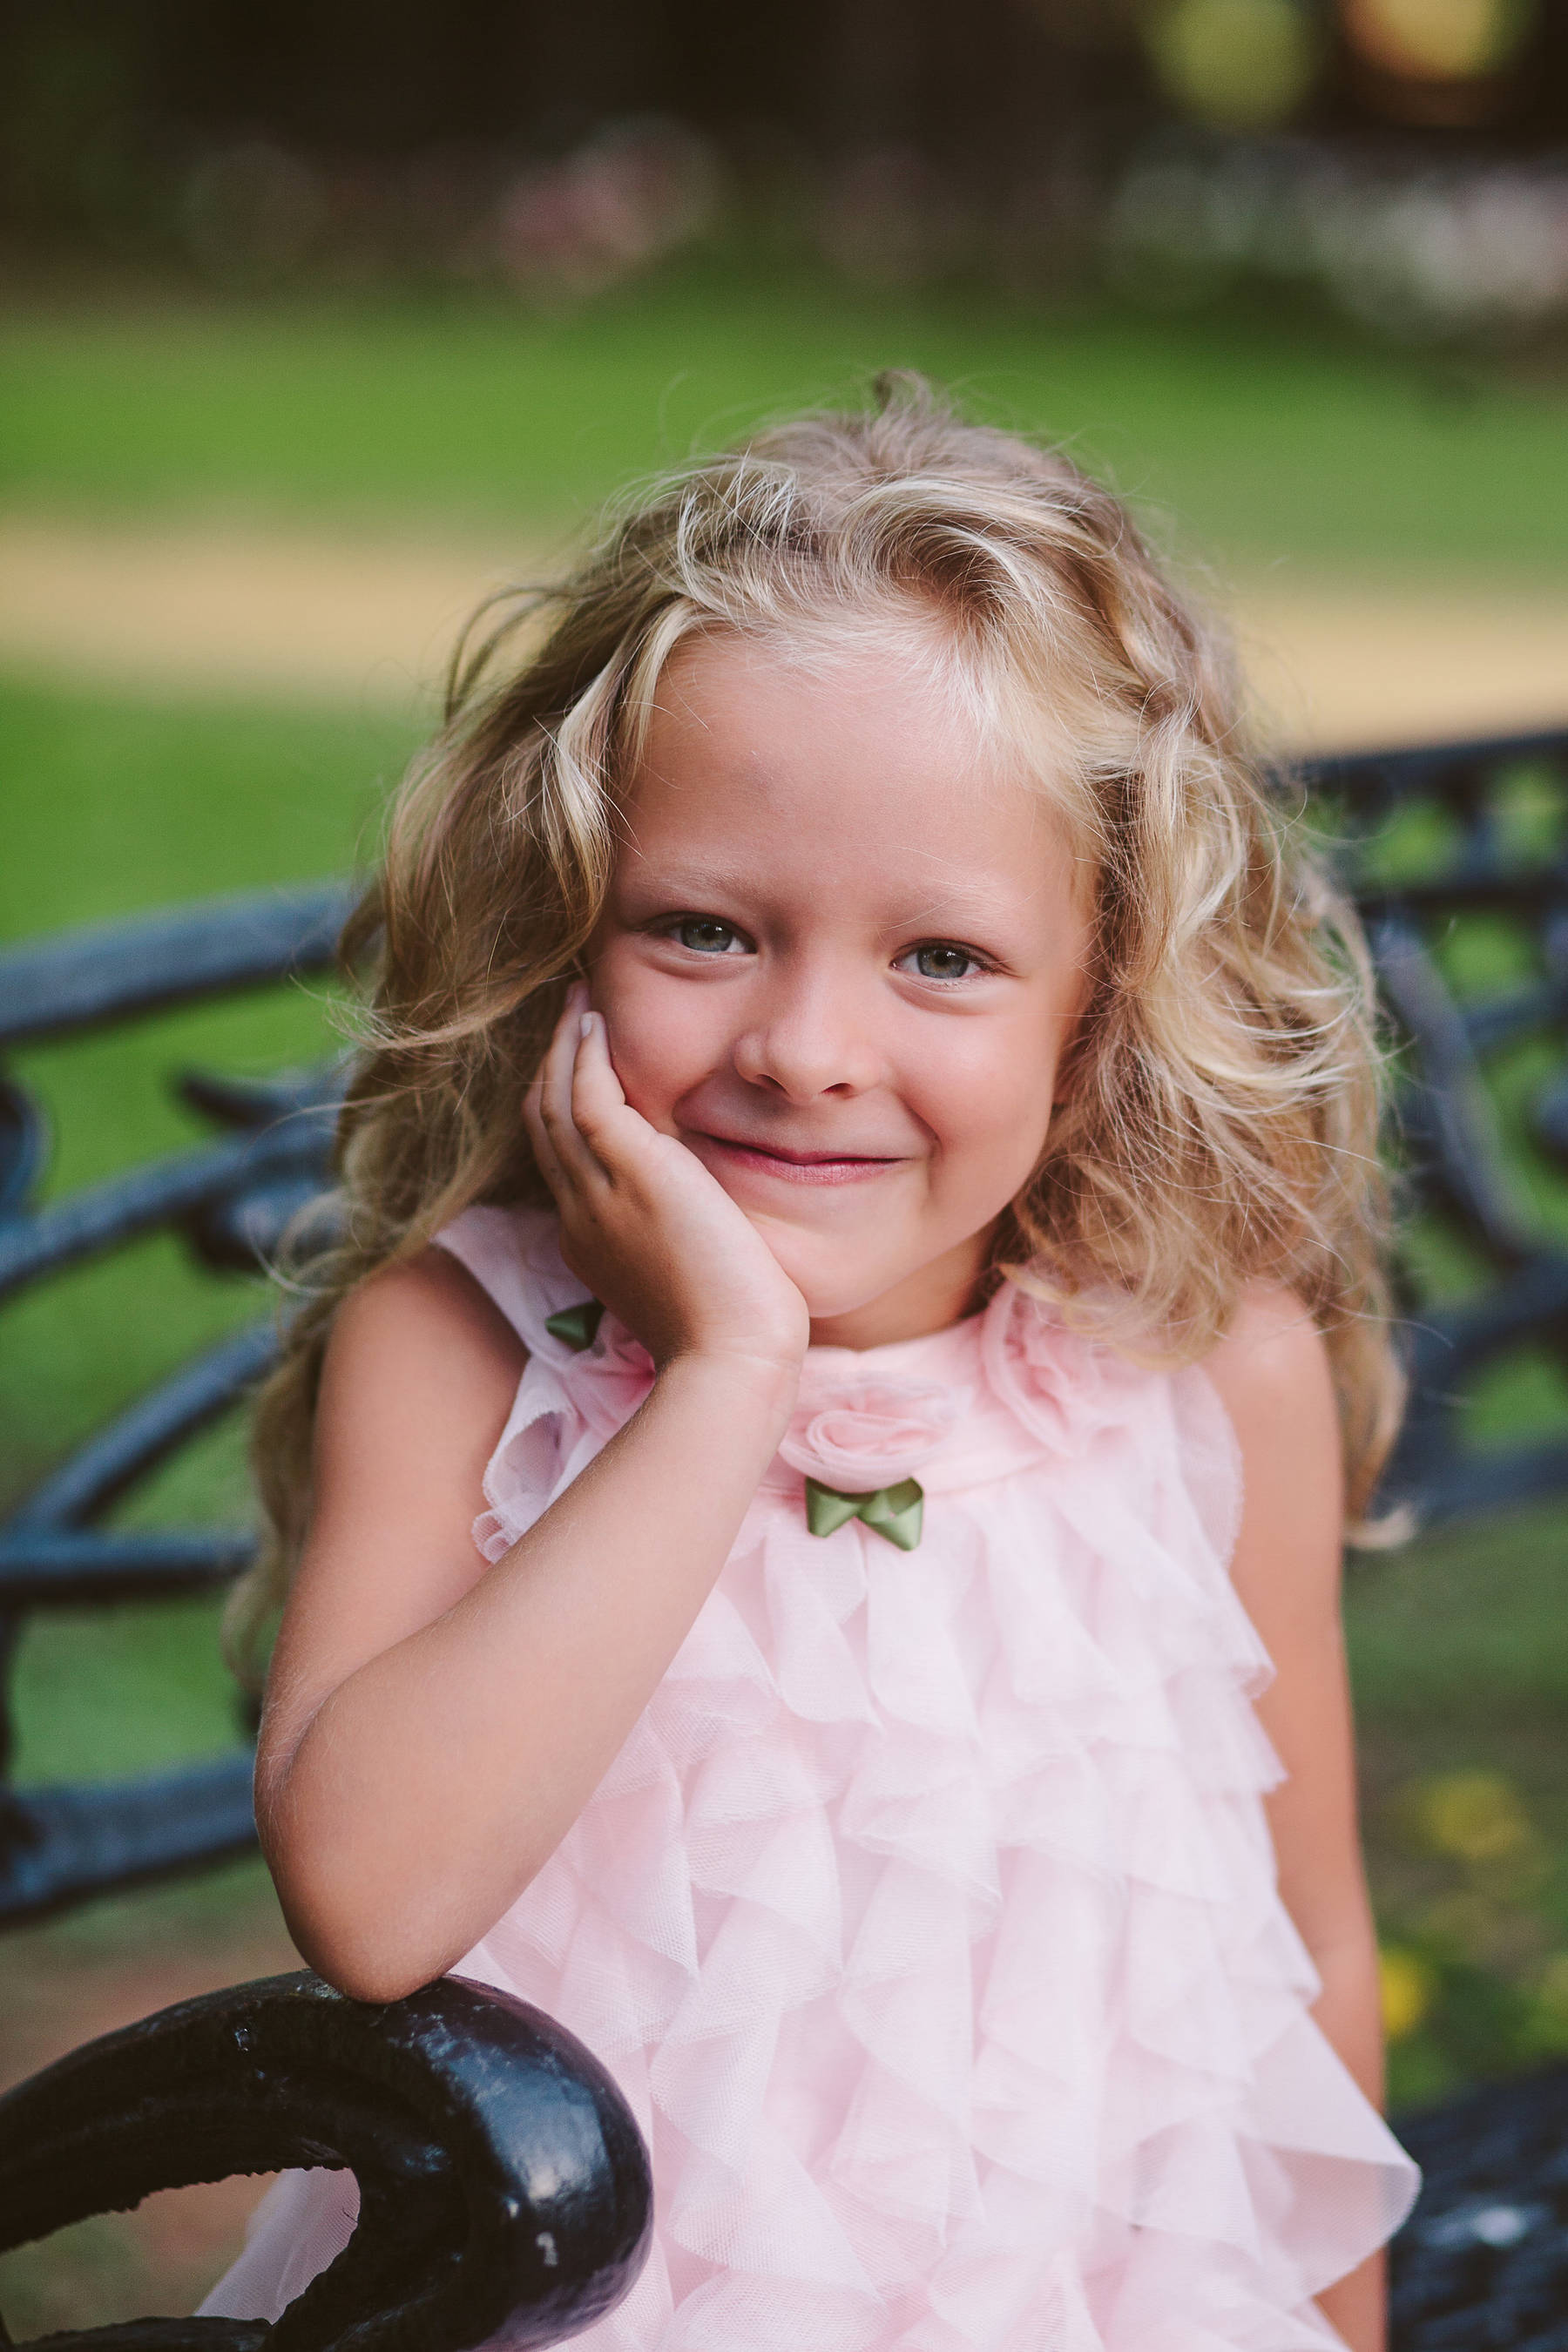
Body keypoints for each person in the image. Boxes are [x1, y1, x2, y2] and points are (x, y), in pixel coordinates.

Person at [201, 376, 1418, 2350]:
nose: (805, 1048)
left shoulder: (1203, 1370)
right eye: (703, 930)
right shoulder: (459, 1338)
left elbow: (1305, 1940)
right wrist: (722, 1380)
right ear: (567, 926)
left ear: (1102, 1001)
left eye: (940, 958)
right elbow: (374, 1896)